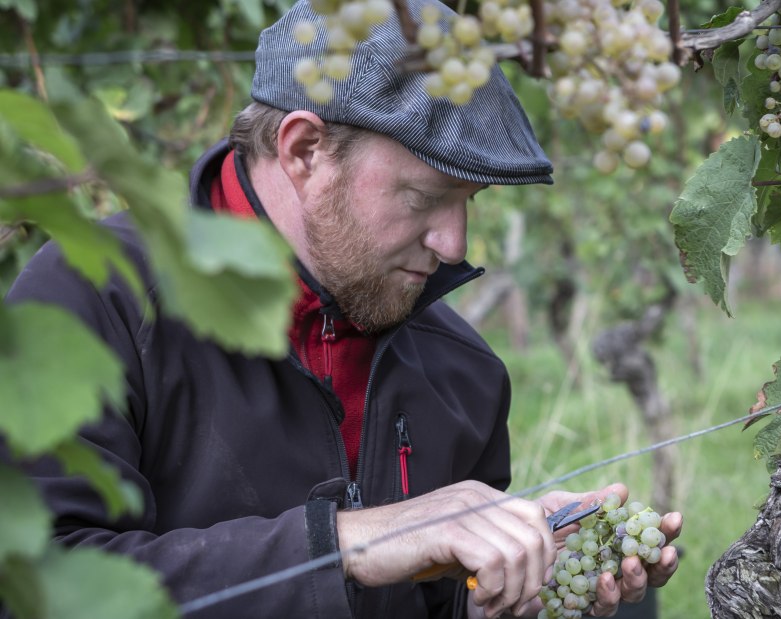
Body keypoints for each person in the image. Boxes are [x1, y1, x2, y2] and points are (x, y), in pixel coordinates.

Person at [3, 0, 682, 617]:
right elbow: (38, 585)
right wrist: (347, 543)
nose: (455, 246)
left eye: (468, 203)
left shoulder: (464, 374)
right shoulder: (95, 297)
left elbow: (438, 602)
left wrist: (502, 594)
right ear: (303, 151)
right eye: (422, 198)